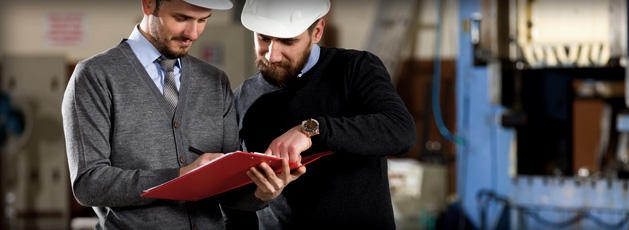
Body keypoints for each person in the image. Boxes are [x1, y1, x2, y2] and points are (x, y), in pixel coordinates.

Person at [61, 0, 303, 229]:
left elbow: (228, 188)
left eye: (202, 20)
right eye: (181, 18)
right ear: (148, 4)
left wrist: (262, 193)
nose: (193, 34)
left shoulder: (215, 81)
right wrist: (179, 177)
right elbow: (89, 184)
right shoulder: (95, 77)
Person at [230, 0, 418, 229]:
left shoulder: (355, 68)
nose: (272, 55)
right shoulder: (241, 97)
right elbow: (234, 198)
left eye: (288, 41)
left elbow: (401, 131)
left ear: (317, 31)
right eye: (263, 38)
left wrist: (310, 129)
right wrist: (259, 196)